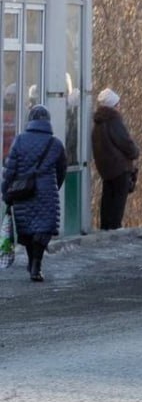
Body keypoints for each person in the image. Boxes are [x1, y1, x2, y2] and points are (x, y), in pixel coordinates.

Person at [2, 104, 68, 282]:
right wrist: (55, 187)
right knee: (43, 230)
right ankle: (36, 264)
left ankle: (32, 262)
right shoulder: (55, 144)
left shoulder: (20, 140)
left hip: (23, 193)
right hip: (46, 194)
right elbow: (62, 170)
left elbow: (10, 169)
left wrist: (6, 191)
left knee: (28, 230)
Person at [91, 87, 140, 231]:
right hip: (119, 166)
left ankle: (106, 226)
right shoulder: (113, 121)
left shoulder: (98, 123)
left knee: (107, 198)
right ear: (113, 106)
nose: (120, 107)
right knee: (119, 198)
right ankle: (115, 226)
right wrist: (135, 152)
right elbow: (125, 142)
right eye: (118, 104)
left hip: (106, 168)